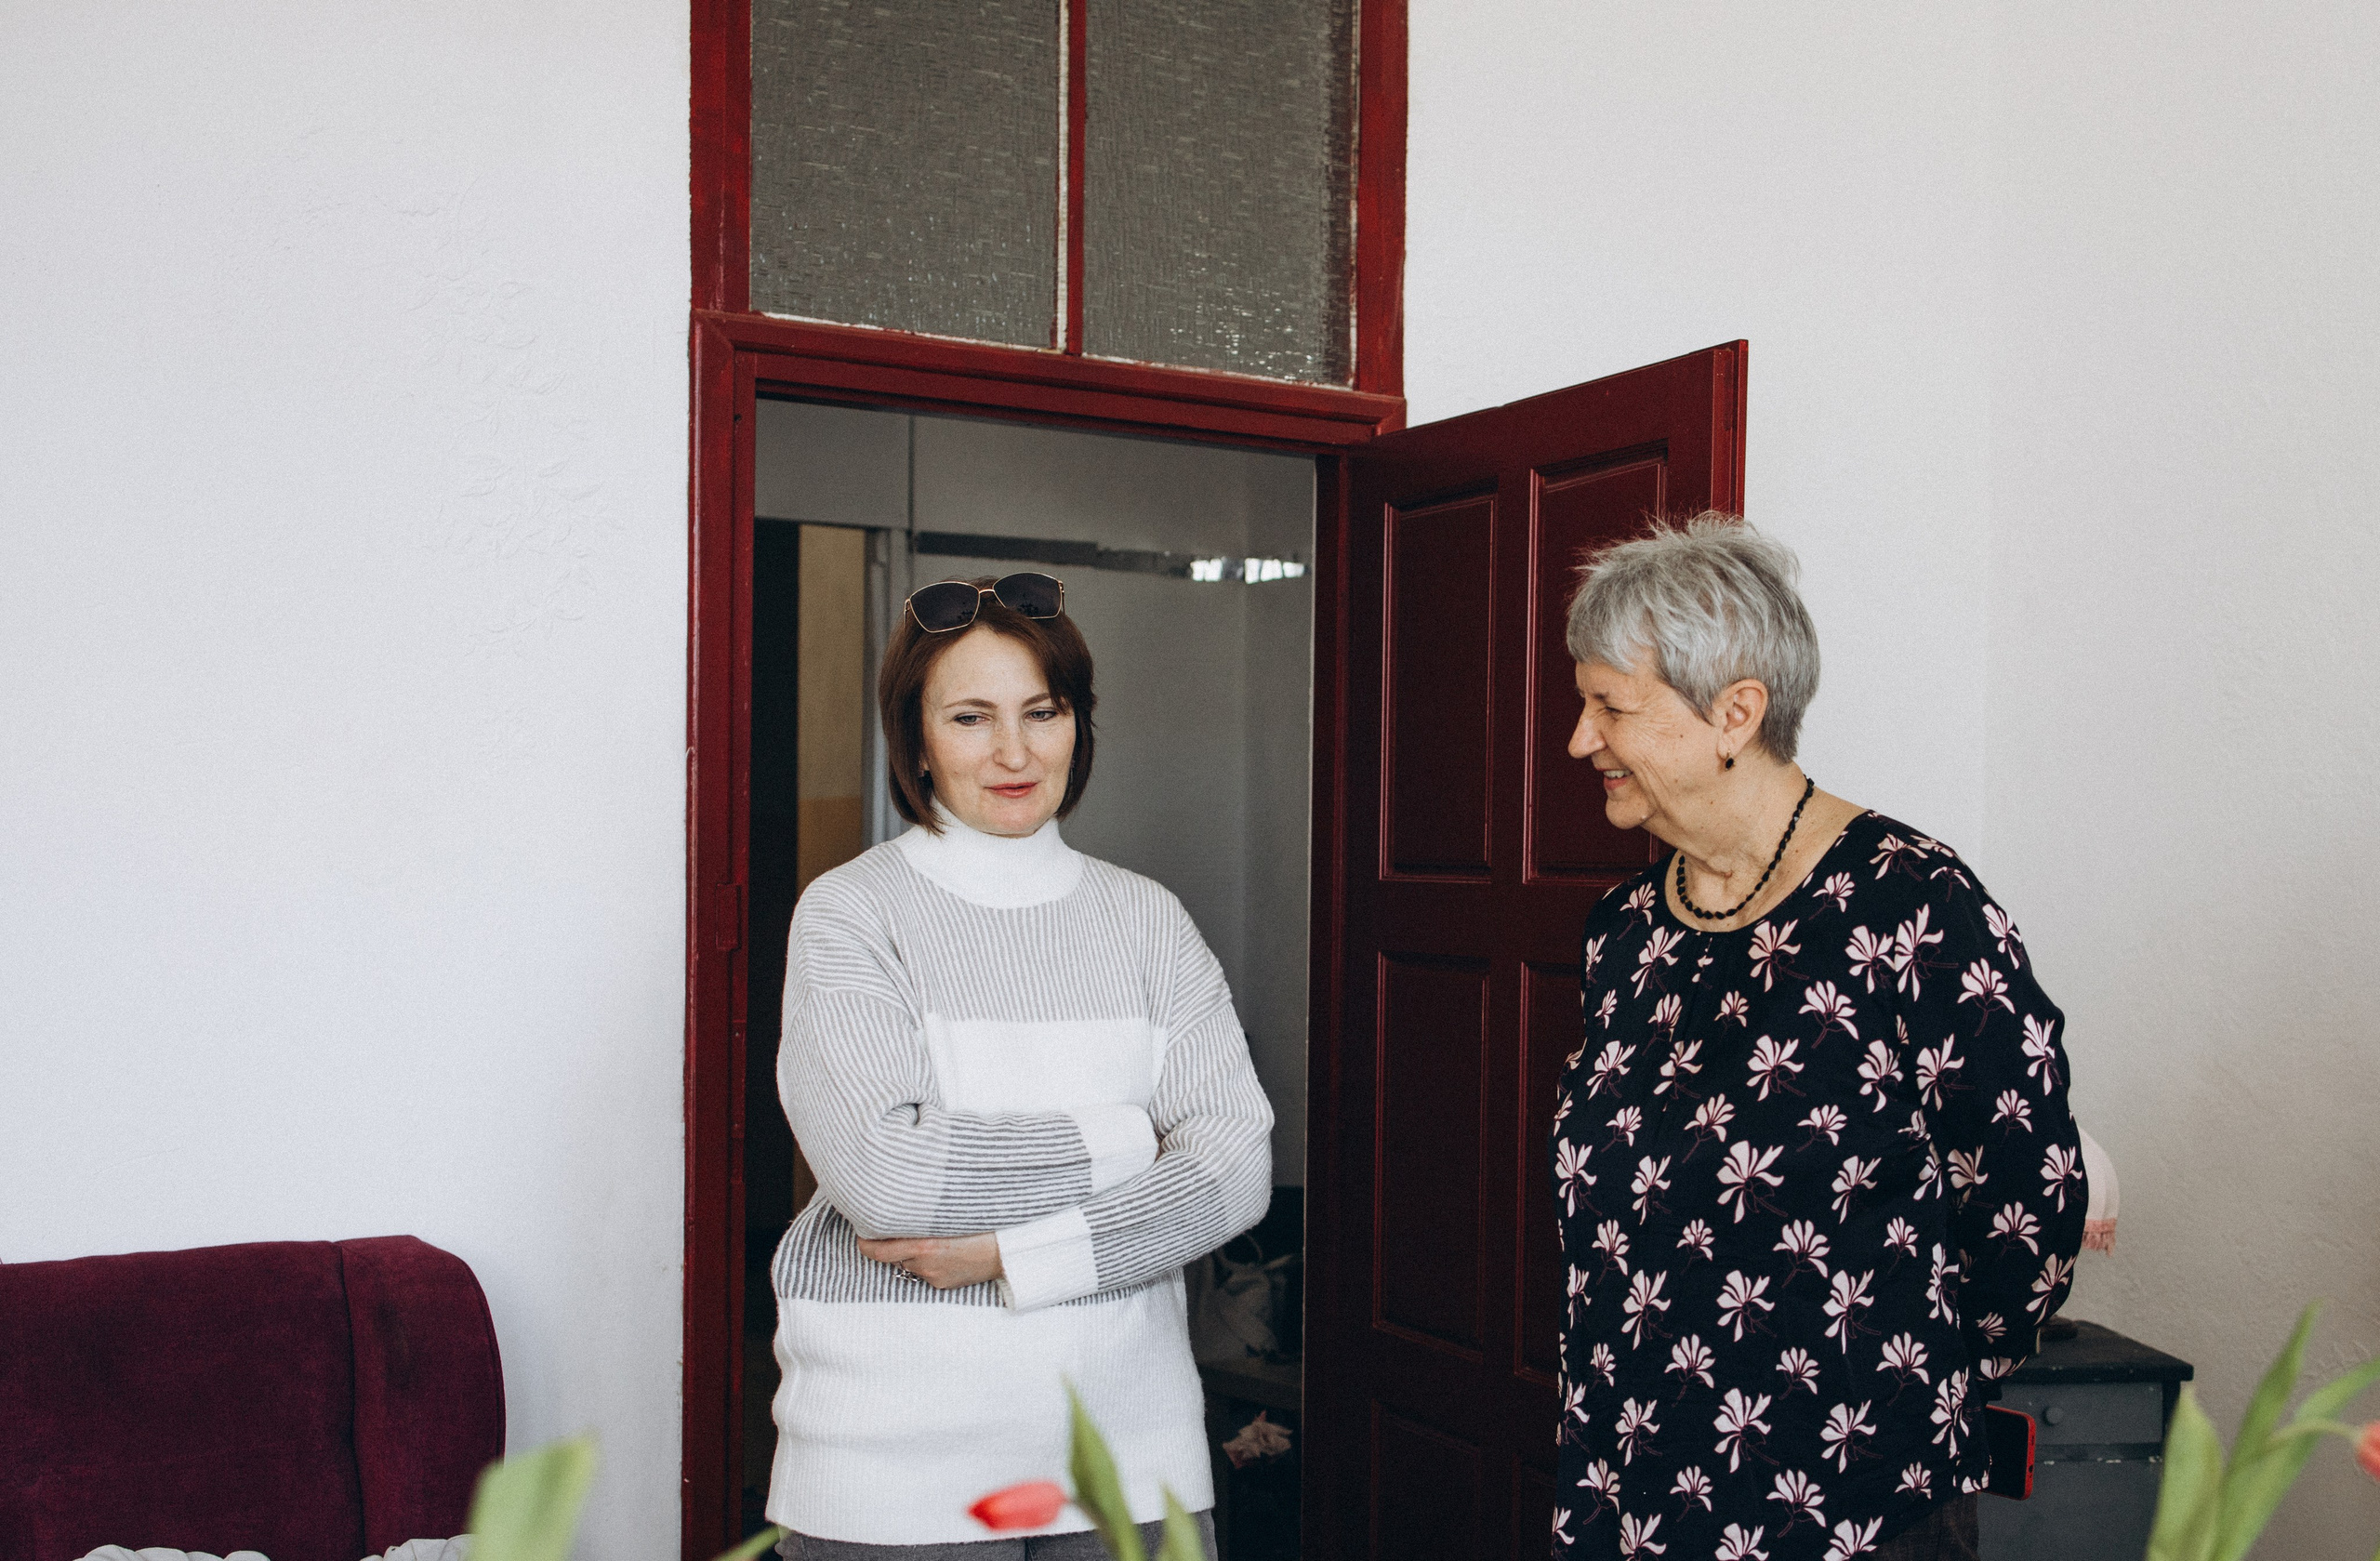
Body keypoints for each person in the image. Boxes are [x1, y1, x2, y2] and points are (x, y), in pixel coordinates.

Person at [1548, 517, 2084, 1561]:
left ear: (1734, 713)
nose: (1580, 739)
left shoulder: (1911, 906)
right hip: (1631, 1488)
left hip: (1851, 1501)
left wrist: (1898, 1379)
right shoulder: (1624, 930)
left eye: (1610, 705)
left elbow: (2024, 1208)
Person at [767, 573, 1272, 1560]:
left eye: (1043, 711)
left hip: (1127, 1450)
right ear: (914, 738)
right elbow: (885, 1174)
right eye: (970, 716)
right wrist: (1129, 1138)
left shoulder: (1146, 918)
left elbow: (1236, 1170)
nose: (1014, 750)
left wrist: (1006, 1252)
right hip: (892, 1465)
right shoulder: (850, 912)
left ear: (1078, 723)